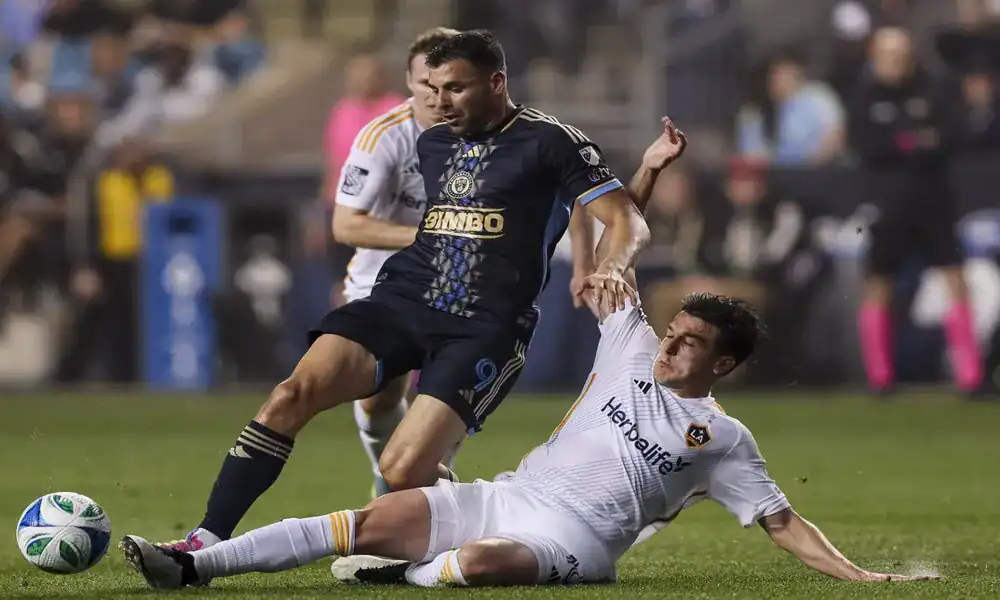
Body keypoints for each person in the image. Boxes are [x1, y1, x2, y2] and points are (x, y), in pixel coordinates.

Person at [119, 121, 935, 590]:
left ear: (721, 365)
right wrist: (645, 170)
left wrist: (862, 578)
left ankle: (411, 573)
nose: (671, 339)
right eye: (673, 326)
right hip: (510, 494)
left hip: (574, 541)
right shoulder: (628, 345)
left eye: (690, 341)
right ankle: (195, 566)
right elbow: (618, 239)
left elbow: (782, 522)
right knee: (365, 521)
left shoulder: (722, 441)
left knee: (479, 565)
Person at [125, 29, 653, 552]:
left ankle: (505, 525)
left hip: (484, 325)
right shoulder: (435, 142)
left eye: (457, 88)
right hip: (404, 298)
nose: (441, 102)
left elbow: (623, 219)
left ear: (497, 82)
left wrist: (607, 263)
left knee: (401, 471)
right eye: (434, 88)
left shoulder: (551, 139)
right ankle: (203, 539)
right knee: (291, 394)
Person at [328, 26, 461, 500]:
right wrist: (428, 239)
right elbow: (346, 225)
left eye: (449, 82)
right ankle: (394, 489)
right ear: (408, 81)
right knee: (383, 394)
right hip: (382, 285)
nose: (437, 94)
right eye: (427, 81)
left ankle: (416, 502)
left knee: (448, 400)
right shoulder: (384, 135)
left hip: (459, 286)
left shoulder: (491, 134)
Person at [848, 27, 983, 395]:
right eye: (889, 54)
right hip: (889, 206)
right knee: (880, 283)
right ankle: (880, 377)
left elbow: (950, 136)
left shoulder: (933, 89)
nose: (897, 61)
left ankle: (971, 375)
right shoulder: (864, 97)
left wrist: (903, 141)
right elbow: (870, 146)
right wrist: (913, 140)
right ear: (875, 57)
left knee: (955, 277)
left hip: (934, 202)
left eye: (902, 53)